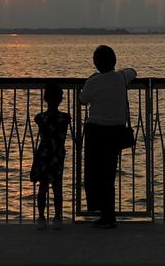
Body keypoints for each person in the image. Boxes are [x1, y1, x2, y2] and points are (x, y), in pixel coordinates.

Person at [79, 45, 136, 229]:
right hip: (115, 132)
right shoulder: (121, 77)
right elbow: (132, 71)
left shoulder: (93, 81)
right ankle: (108, 215)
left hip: (96, 131)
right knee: (109, 174)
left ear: (96, 64)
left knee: (94, 174)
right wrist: (123, 71)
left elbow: (82, 99)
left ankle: (102, 213)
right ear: (114, 61)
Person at [30, 82, 70, 230]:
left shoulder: (40, 118)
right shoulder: (65, 118)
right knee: (57, 186)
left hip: (44, 153)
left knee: (43, 186)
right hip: (57, 154)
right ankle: (58, 217)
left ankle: (41, 217)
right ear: (61, 99)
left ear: (45, 99)